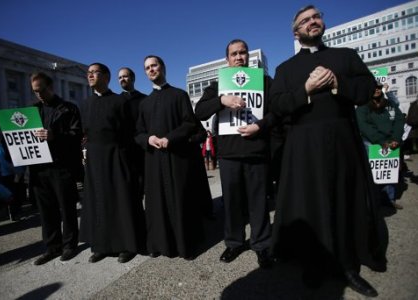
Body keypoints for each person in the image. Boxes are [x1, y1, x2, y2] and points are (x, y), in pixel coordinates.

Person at [269, 5, 387, 297]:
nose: (313, 22)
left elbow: (366, 90)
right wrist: (305, 90)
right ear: (296, 32)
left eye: (316, 17)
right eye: (305, 21)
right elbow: (277, 107)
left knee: (346, 201)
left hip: (342, 141)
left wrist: (337, 83)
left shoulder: (345, 56)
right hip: (303, 148)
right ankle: (314, 264)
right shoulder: (285, 69)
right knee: (309, 205)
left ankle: (348, 266)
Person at [195, 39, 277, 268]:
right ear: (227, 59)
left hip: (256, 151)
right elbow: (199, 111)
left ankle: (262, 245)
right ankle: (234, 242)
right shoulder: (217, 86)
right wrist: (222, 100)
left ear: (248, 56)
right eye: (234, 54)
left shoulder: (263, 81)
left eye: (243, 53)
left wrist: (260, 126)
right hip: (229, 154)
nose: (239, 57)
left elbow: (277, 112)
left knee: (259, 202)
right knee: (231, 203)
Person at [135, 55, 211, 259]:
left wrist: (170, 138)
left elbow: (189, 123)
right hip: (153, 161)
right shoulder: (144, 103)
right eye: (147, 68)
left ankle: (186, 245)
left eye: (154, 65)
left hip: (176, 157)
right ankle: (160, 244)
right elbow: (138, 133)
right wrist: (149, 139)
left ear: (163, 67)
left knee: (181, 201)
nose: (151, 69)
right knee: (157, 202)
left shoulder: (179, 95)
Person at [80, 63, 146, 264]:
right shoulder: (85, 104)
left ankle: (127, 245)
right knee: (98, 201)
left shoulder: (120, 101)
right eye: (88, 73)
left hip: (117, 156)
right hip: (94, 159)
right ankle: (101, 246)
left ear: (106, 77)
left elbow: (130, 131)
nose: (90, 76)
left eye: (95, 72)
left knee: (121, 200)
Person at [29, 72, 82, 265]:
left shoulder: (68, 109)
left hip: (62, 166)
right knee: (46, 211)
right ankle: (52, 247)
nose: (39, 94)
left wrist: (54, 136)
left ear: (51, 87)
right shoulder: (31, 111)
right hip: (39, 168)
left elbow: (76, 135)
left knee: (67, 208)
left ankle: (70, 245)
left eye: (42, 90)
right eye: (35, 91)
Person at [356, 83, 405, 210]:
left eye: (378, 87)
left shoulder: (390, 105)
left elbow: (399, 120)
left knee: (389, 172)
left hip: (391, 142)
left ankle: (389, 198)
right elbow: (364, 126)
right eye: (373, 87)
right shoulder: (362, 107)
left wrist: (395, 139)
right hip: (371, 143)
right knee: (374, 173)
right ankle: (374, 199)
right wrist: (382, 141)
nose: (376, 90)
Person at [118, 67, 147, 202]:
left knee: (143, 186)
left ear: (133, 78)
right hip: (123, 151)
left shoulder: (145, 99)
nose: (122, 79)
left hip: (142, 150)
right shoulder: (115, 101)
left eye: (125, 76)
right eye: (119, 77)